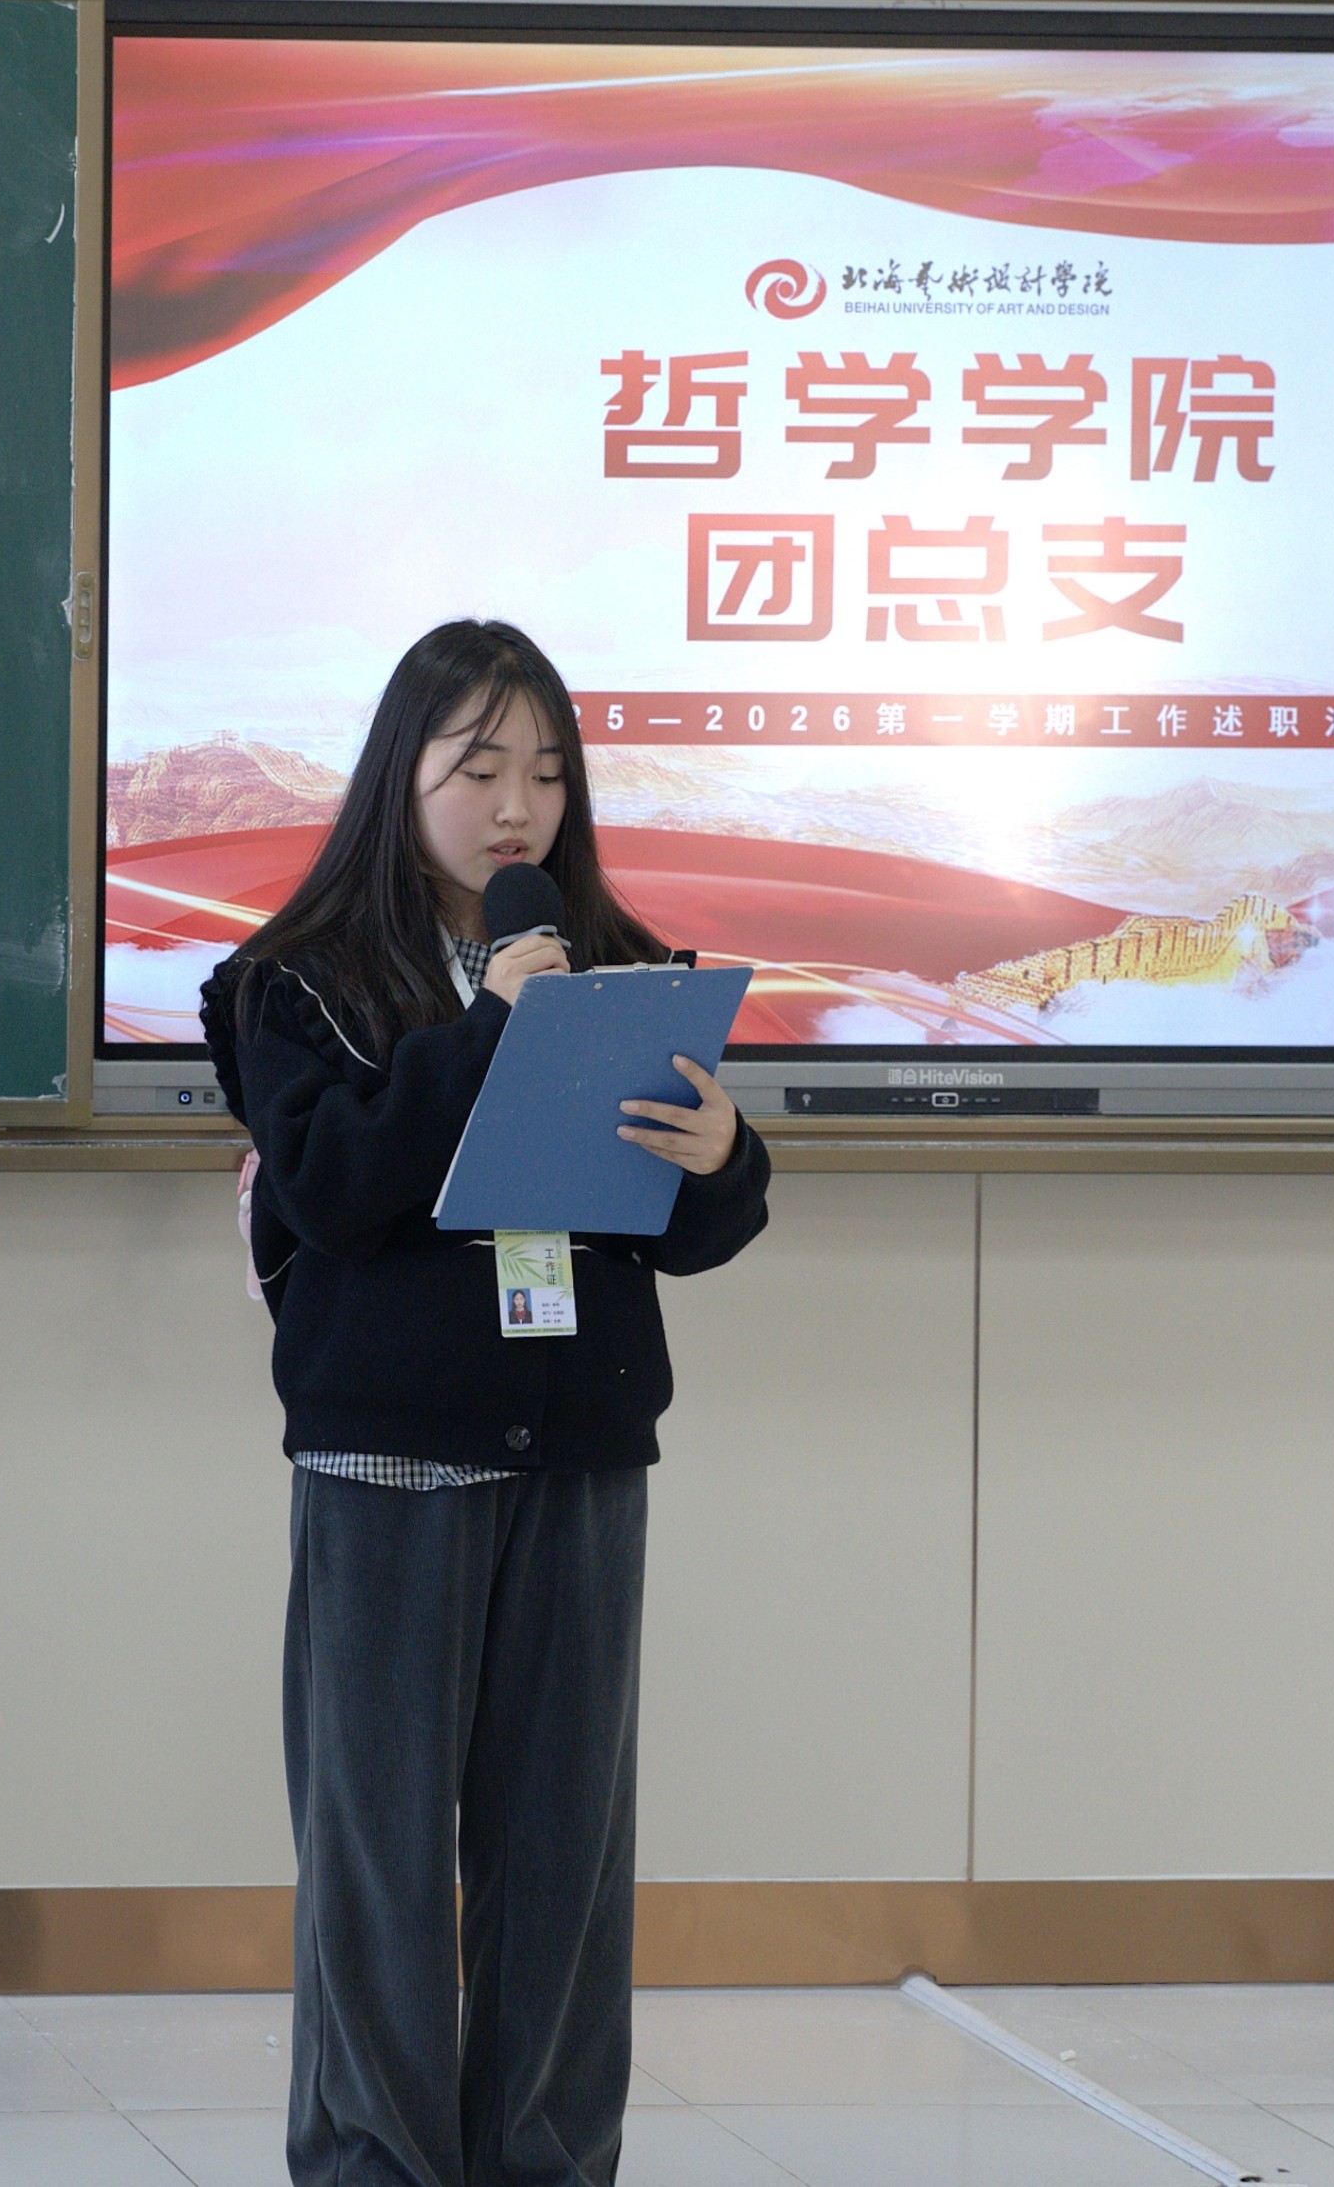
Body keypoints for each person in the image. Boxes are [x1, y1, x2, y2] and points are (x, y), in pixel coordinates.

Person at [198, 618, 772, 2187]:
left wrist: (724, 1159)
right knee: (381, 1865)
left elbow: (694, 1228)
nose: (519, 806)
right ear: (402, 778)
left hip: (579, 1453)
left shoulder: (617, 967)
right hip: (391, 1460)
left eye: (548, 772)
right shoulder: (294, 985)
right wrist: (491, 1034)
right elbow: (331, 1185)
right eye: (478, 769)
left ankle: (547, 2163)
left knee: (561, 1859)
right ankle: (377, 2166)